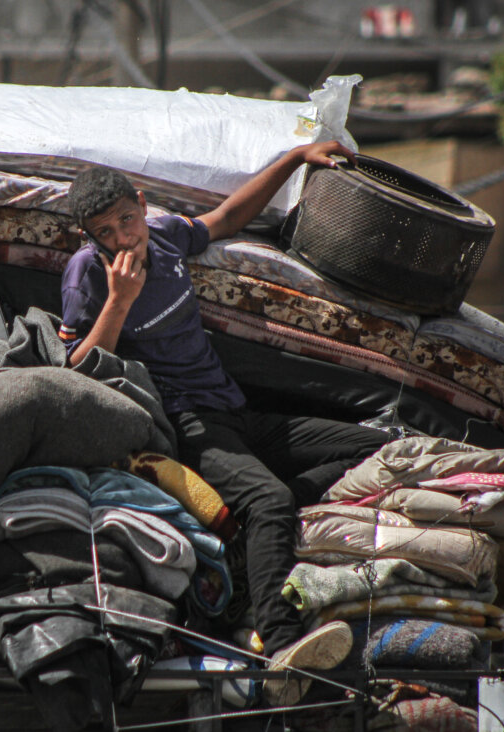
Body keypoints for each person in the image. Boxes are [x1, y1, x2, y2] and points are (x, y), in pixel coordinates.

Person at [59, 141, 391, 706]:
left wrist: (297, 158)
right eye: (106, 232)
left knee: (370, 448)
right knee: (267, 503)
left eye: (126, 221)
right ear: (91, 239)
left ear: (141, 206)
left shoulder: (163, 236)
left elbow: (228, 217)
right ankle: (282, 645)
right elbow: (77, 370)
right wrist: (119, 301)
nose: (122, 238)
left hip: (233, 410)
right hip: (188, 425)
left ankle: (273, 519)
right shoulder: (88, 274)